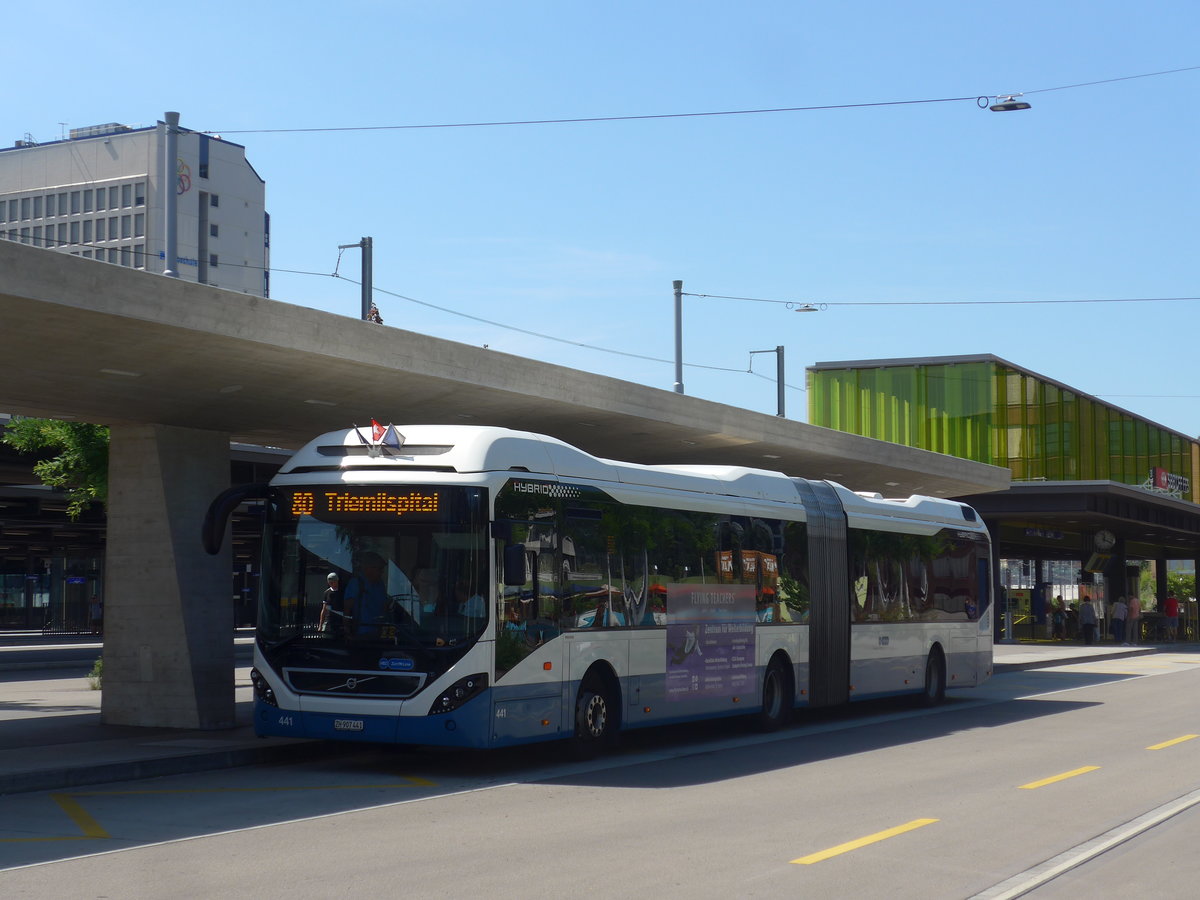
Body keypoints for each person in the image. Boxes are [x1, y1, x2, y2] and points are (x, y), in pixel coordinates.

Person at [344, 552, 390, 636]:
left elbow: (384, 609)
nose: (382, 572)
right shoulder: (356, 583)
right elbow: (347, 609)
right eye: (379, 569)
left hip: (379, 633)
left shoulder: (380, 585)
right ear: (368, 568)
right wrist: (347, 631)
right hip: (361, 635)